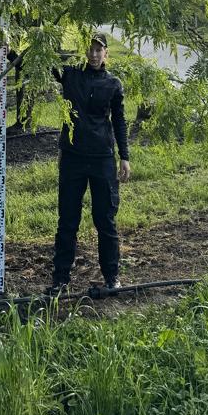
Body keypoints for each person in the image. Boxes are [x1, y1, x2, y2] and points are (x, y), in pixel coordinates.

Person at [50, 32, 130, 293]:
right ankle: (60, 279)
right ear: (85, 51)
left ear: (106, 53)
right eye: (91, 49)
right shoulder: (71, 75)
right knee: (67, 220)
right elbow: (41, 64)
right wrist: (10, 51)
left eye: (100, 50)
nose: (95, 54)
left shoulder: (113, 84)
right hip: (73, 158)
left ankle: (111, 277)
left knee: (105, 220)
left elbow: (119, 120)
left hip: (102, 160)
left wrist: (124, 157)